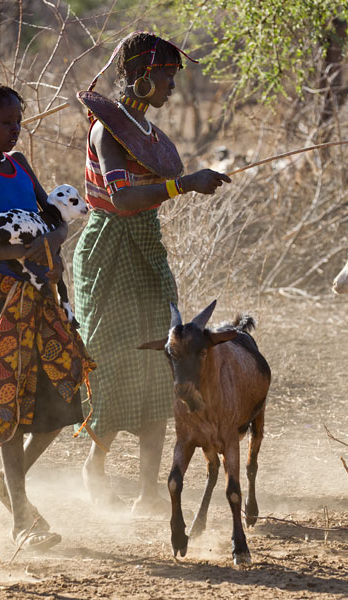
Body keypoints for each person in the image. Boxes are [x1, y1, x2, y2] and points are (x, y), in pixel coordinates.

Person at [74, 32, 231, 514]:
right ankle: (95, 466)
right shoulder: (108, 132)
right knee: (112, 360)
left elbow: (145, 199)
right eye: (166, 76)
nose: (172, 87)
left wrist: (186, 183)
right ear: (142, 76)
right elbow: (121, 200)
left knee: (164, 362)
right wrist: (183, 185)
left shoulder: (146, 134)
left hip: (146, 248)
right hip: (108, 251)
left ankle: (148, 490)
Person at [0, 82, 94, 551]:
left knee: (64, 394)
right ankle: (22, 520)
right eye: (5, 122)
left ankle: (8, 485)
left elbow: (53, 220)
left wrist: (49, 244)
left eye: (18, 121)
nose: (15, 130)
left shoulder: (19, 165)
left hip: (44, 291)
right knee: (8, 403)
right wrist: (27, 251)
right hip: (1, 297)